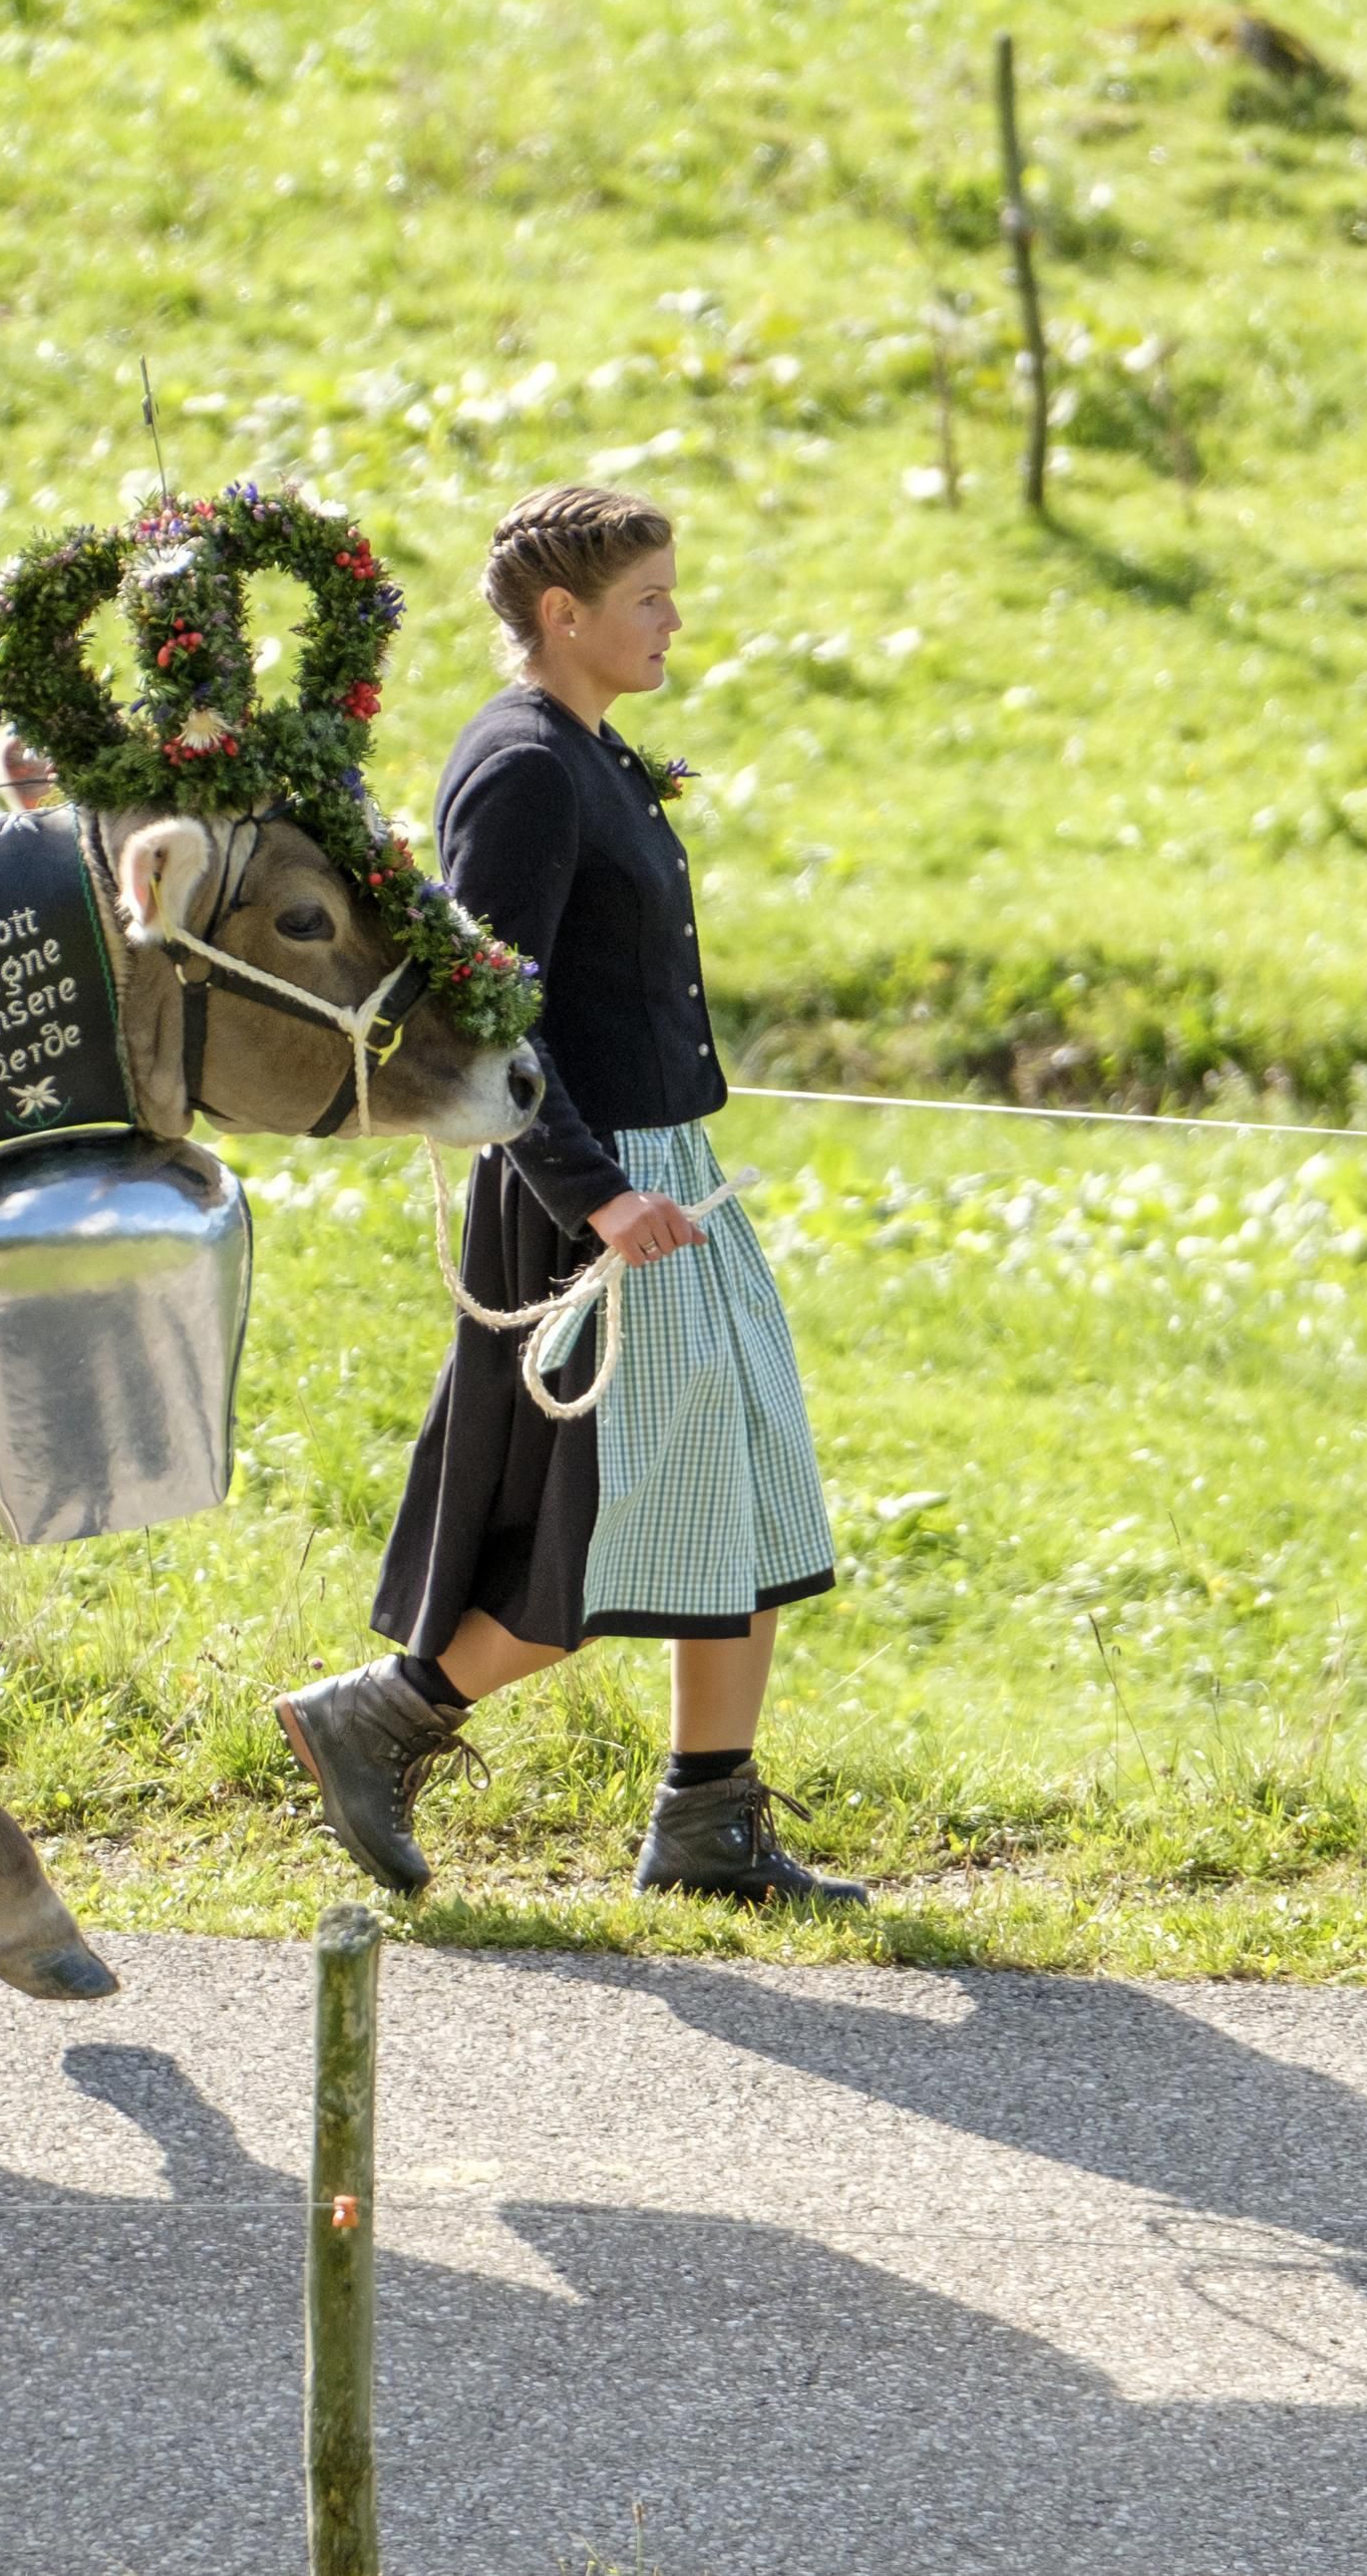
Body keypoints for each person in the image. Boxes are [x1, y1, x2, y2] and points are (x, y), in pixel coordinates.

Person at [270, 483, 863, 1906]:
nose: (674, 619)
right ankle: (380, 1715)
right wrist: (595, 1193)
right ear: (564, 614)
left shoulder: (588, 751)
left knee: (747, 1486)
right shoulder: (524, 767)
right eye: (651, 597)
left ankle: (708, 1824)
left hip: (673, 1173)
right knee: (628, 1517)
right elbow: (487, 1017)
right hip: (591, 1186)